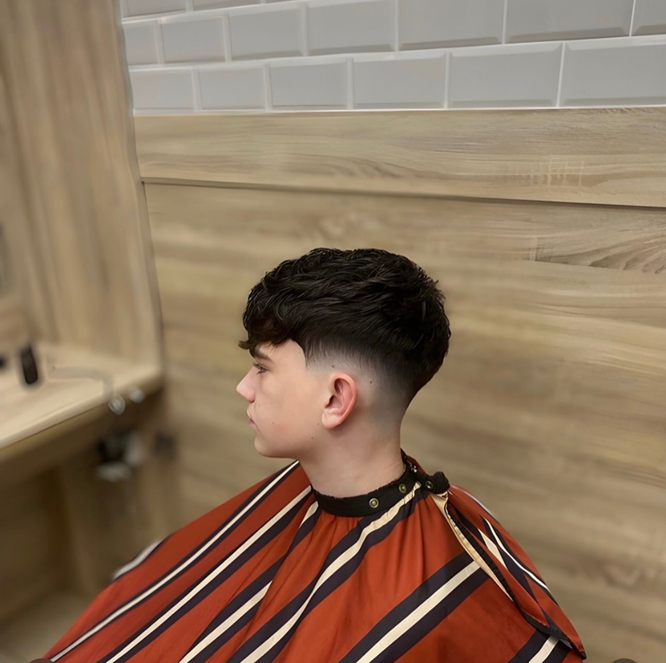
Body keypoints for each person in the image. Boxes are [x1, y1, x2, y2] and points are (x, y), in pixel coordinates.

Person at [38, 248, 586, 662]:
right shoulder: (298, 492)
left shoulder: (437, 593)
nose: (244, 388)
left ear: (335, 399)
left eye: (262, 368)